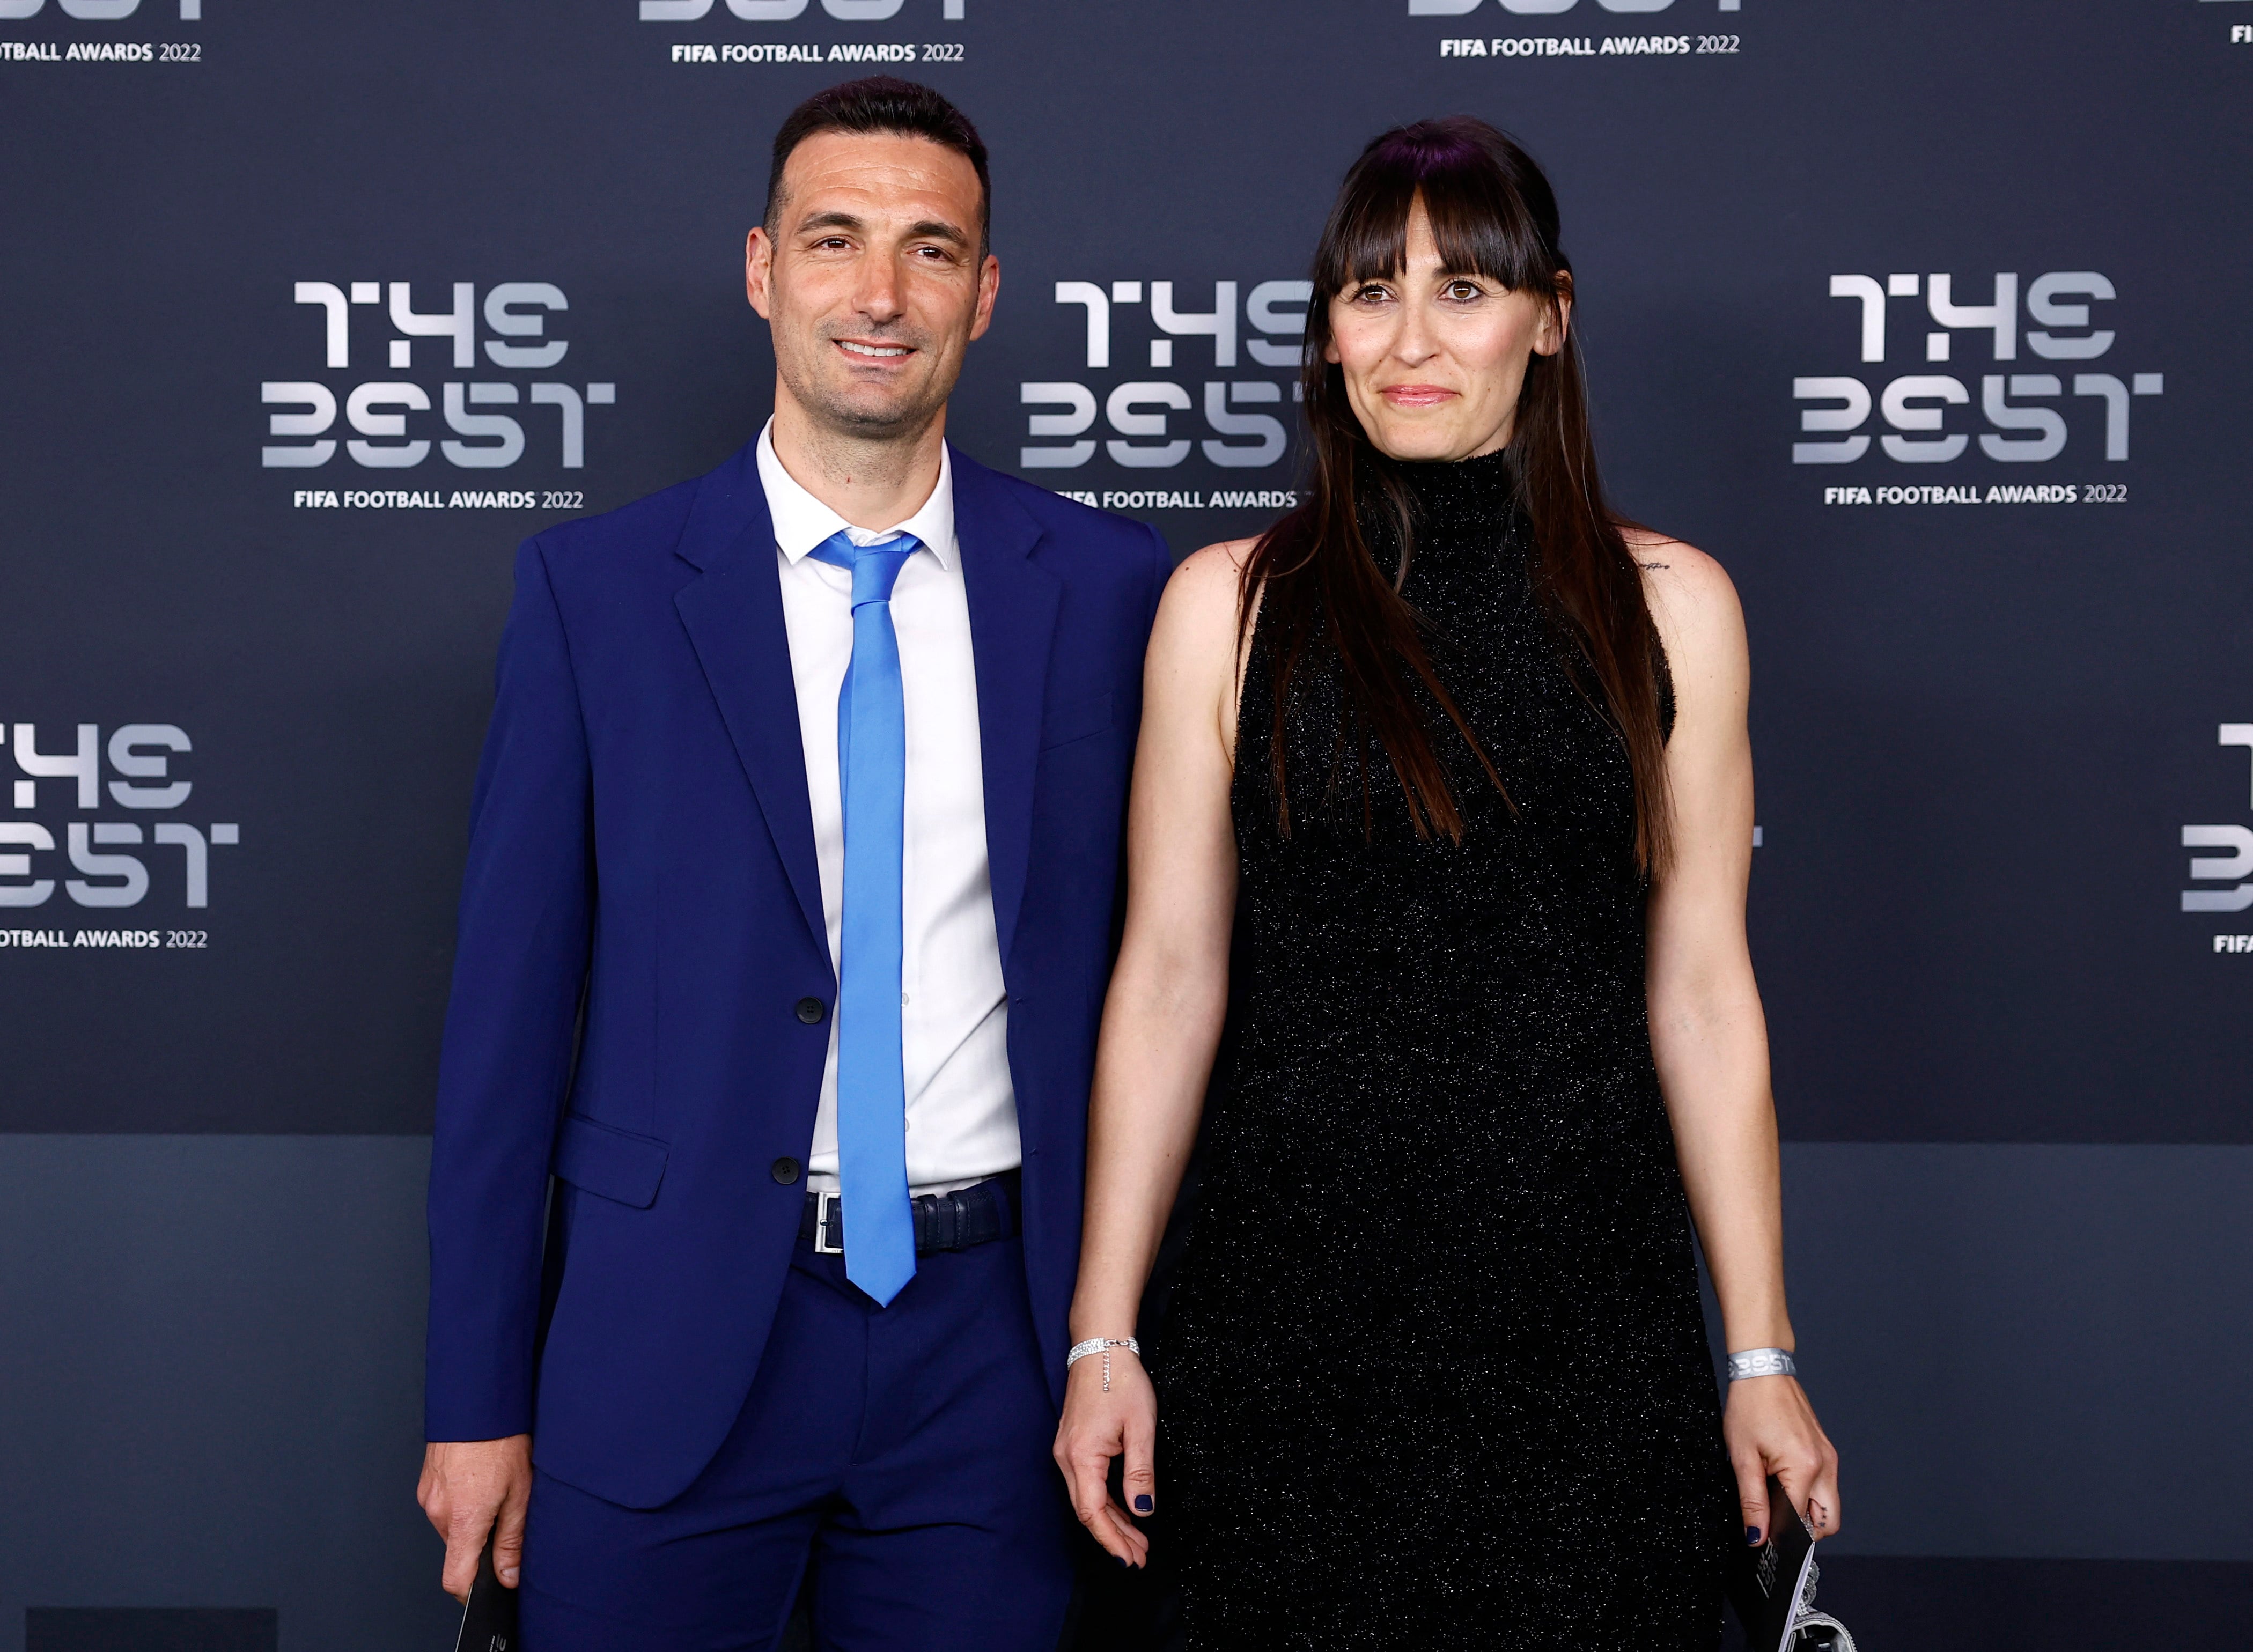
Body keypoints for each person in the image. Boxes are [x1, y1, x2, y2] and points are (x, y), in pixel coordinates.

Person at [1054, 117, 1842, 1647]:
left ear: (1551, 318)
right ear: (1328, 331)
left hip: (1583, 1329)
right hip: (1282, 1328)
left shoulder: (1671, 609)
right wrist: (1105, 1332)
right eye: (1371, 291)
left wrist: (1758, 1355)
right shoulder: (1226, 606)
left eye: (1464, 291)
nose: (1412, 337)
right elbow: (1166, 978)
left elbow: (1700, 990)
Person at [415, 77, 1170, 1651]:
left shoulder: (1109, 591)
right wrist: (477, 1400)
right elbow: (502, 1034)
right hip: (668, 1341)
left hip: (996, 1362)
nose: (880, 295)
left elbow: (1171, 975)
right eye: (835, 241)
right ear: (762, 270)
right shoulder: (596, 593)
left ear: (987, 292)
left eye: (930, 250)